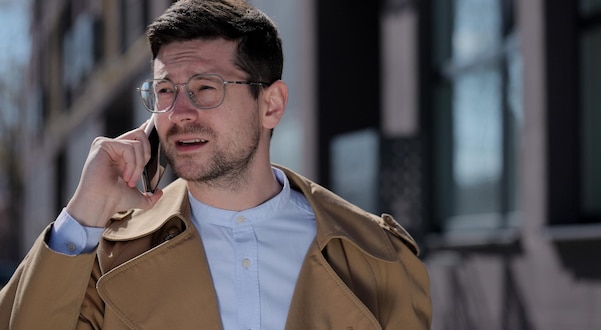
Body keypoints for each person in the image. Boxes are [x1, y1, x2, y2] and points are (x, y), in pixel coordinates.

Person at [0, 0, 432, 329]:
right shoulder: (104, 256)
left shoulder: (378, 256)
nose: (180, 112)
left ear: (271, 105)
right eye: (165, 91)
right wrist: (82, 214)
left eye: (206, 88)